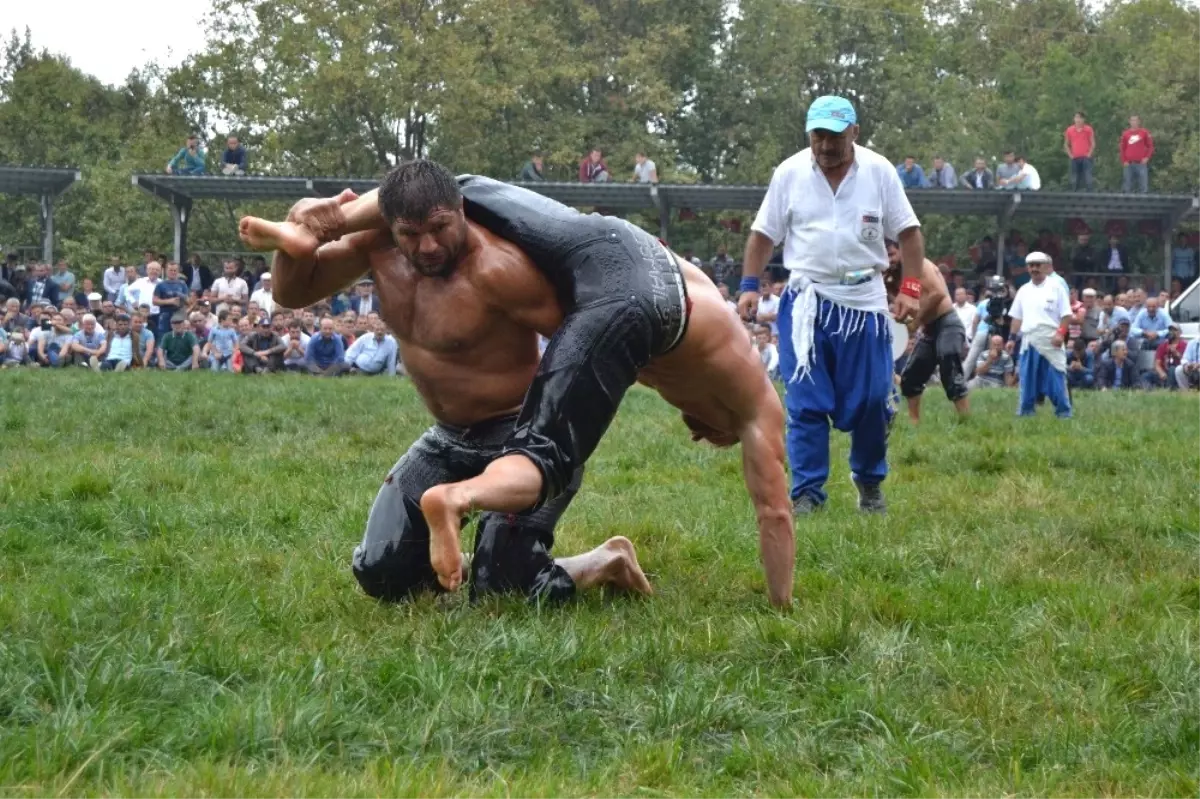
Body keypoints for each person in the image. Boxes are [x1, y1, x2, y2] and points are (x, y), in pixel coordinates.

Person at [239, 160, 793, 607]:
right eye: (412, 234)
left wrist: (685, 401)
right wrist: (297, 238)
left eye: (439, 229)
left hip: (518, 431)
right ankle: (464, 531)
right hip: (448, 437)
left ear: (459, 213)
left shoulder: (500, 269)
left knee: (501, 589)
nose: (428, 247)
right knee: (380, 576)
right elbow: (290, 294)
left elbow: (597, 352)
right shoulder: (375, 248)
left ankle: (601, 561)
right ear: (391, 227)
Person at [737, 94, 925, 515]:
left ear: (854, 133)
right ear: (809, 134)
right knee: (806, 402)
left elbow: (909, 235)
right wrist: (749, 285)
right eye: (818, 135)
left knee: (875, 399)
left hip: (866, 303)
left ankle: (869, 480)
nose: (825, 145)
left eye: (835, 136)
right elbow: (763, 235)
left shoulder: (879, 171)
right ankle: (807, 493)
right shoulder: (789, 172)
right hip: (807, 303)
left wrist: (910, 288)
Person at [884, 241, 969, 424]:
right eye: (886, 256)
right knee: (910, 377)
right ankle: (914, 423)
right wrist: (904, 322)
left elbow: (938, 293)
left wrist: (916, 321)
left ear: (901, 251)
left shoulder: (919, 264)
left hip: (948, 322)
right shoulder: (891, 277)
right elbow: (903, 307)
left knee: (949, 364)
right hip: (928, 329)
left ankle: (966, 420)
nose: (889, 259)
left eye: (892, 254)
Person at [1009, 252, 1073, 418]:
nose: (1035, 269)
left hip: (1051, 339)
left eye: (1038, 265)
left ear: (1045, 267)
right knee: (1027, 378)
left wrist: (1060, 334)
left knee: (1055, 378)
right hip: (1029, 340)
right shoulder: (1023, 290)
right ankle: (1026, 412)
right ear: (1027, 268)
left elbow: (1067, 315)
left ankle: (1063, 413)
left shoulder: (1057, 287)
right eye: (1031, 266)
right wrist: (1011, 338)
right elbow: (1017, 317)